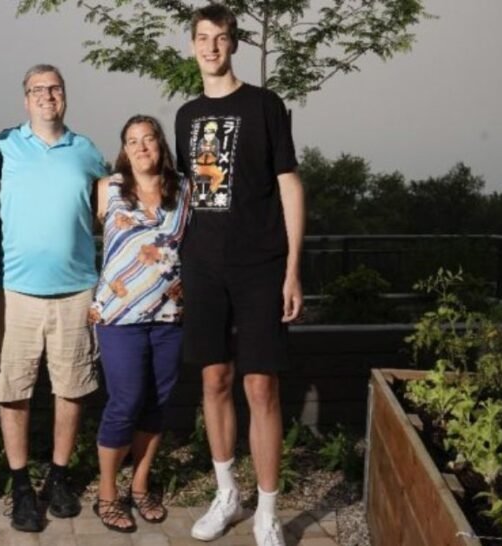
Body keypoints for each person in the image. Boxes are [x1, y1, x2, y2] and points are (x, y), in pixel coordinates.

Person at [174, 4, 306, 546]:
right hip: (203, 267)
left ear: (233, 44)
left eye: (220, 38)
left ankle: (268, 510)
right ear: (192, 47)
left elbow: (290, 186)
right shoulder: (184, 116)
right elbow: (180, 194)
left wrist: (293, 269)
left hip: (261, 267)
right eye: (202, 38)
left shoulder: (265, 105)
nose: (211, 47)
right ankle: (227, 492)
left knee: (261, 386)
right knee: (214, 379)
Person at [0, 64, 109, 533]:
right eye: (37, 89)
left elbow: (111, 214)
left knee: (71, 388)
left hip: (77, 290)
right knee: (12, 391)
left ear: (65, 96)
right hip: (15, 291)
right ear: (25, 99)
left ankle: (58, 477)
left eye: (54, 88)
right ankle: (20, 486)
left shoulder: (87, 151)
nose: (47, 96)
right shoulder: (2, 148)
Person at [89, 115, 191, 533]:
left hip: (170, 315)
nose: (141, 146)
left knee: (157, 403)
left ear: (160, 144)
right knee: (125, 400)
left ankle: (141, 485)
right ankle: (107, 494)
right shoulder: (107, 189)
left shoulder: (184, 189)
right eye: (132, 141)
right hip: (118, 315)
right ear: (124, 149)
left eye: (148, 139)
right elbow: (71, 232)